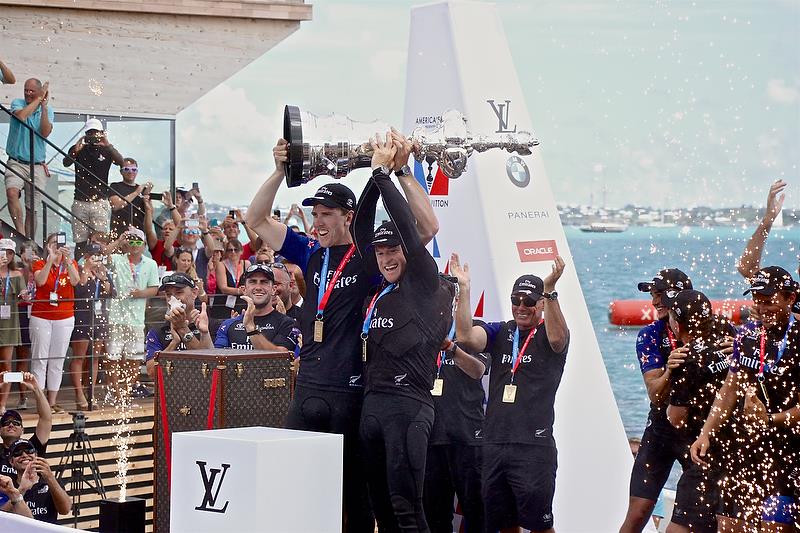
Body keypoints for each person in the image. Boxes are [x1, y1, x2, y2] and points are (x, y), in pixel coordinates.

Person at [245, 133, 438, 532]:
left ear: (349, 217)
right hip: (310, 386)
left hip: (351, 394)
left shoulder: (371, 257)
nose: (318, 223)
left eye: (327, 215)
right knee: (296, 488)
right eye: (315, 215)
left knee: (356, 500)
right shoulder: (309, 252)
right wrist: (280, 171)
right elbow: (256, 221)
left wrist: (400, 171)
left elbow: (427, 227)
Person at [350, 132, 453, 530]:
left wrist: (383, 174)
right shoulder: (379, 290)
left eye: (393, 251)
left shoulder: (425, 281)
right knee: (382, 511)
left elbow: (411, 232)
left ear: (407, 252)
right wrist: (371, 182)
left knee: (408, 509)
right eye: (381, 252)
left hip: (409, 408)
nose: (387, 257)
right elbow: (360, 226)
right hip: (372, 406)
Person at [450, 252, 569, 533]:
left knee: (540, 525)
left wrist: (550, 290)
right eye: (516, 300)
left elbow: (558, 338)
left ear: (540, 304)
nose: (521, 306)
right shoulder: (502, 331)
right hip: (494, 444)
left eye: (528, 301)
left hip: (533, 446)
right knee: (504, 525)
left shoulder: (549, 333)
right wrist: (464, 289)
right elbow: (466, 337)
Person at [690, 266, 799, 531]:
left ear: (790, 299)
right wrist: (705, 432)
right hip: (746, 446)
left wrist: (771, 420)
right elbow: (730, 388)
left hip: (788, 451)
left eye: (770, 302)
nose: (762, 309)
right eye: (758, 302)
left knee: (775, 528)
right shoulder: (749, 334)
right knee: (728, 526)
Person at [619, 268, 693, 533]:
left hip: (697, 433)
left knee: (698, 520)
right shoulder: (650, 334)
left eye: (659, 294)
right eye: (652, 295)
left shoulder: (712, 331)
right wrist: (671, 370)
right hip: (661, 429)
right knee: (637, 514)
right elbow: (655, 392)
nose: (654, 302)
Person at [663, 290, 736, 533]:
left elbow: (676, 418)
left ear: (677, 321)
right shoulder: (727, 332)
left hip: (705, 453)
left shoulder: (686, 358)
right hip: (739, 449)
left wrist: (669, 373)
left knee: (678, 528)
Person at [424, 314, 488, 533]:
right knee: (435, 516)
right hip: (431, 436)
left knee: (478, 512)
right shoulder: (420, 327)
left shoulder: (474, 331)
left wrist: (452, 348)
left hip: (469, 436)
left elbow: (478, 370)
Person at [105, 227, 159, 399]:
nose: (134, 245)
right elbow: (103, 255)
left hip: (136, 318)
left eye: (138, 242)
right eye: (131, 241)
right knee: (113, 355)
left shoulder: (150, 263)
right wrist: (119, 240)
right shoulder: (117, 259)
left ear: (144, 245)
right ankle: (114, 391)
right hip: (115, 316)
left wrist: (139, 294)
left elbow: (154, 289)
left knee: (134, 357)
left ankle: (127, 391)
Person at [30, 234, 80, 412]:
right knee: (40, 359)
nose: (58, 247)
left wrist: (67, 260)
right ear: (47, 246)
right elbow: (41, 281)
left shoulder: (70, 263)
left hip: (64, 317)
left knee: (57, 359)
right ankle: (40, 401)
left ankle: (52, 401)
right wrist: (50, 260)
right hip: (41, 317)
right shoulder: (39, 264)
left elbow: (76, 281)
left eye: (61, 244)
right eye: (54, 244)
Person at [63, 118, 125, 255]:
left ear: (101, 133)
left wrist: (107, 144)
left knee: (100, 241)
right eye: (90, 132)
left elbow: (122, 162)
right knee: (80, 241)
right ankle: (81, 268)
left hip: (99, 202)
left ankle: (98, 269)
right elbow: (65, 163)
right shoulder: (79, 149)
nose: (93, 136)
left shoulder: (107, 151)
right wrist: (75, 150)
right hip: (80, 201)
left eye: (96, 132)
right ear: (86, 134)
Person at [4, 79, 54, 236]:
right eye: (26, 90)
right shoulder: (17, 103)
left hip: (37, 165)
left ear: (39, 92)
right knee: (12, 192)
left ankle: (29, 240)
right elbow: (21, 116)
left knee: (32, 208)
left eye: (32, 91)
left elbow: (45, 132)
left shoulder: (48, 110)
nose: (27, 93)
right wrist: (38, 99)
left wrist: (44, 106)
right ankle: (20, 234)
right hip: (16, 161)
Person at [212, 264, 298, 352]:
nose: (258, 287)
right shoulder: (228, 324)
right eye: (253, 282)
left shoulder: (287, 324)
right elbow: (218, 357)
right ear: (244, 290)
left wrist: (251, 328)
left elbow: (280, 357)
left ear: (273, 289)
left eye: (264, 282)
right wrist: (204, 334)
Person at [69, 243, 113, 410]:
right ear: (86, 256)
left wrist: (103, 279)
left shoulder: (103, 272)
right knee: (79, 357)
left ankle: (91, 392)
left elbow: (110, 292)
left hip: (99, 318)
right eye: (93, 255)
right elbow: (79, 288)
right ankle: (79, 393)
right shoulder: (79, 269)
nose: (96, 259)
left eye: (99, 256)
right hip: (82, 317)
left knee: (95, 358)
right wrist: (86, 269)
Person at [144, 273, 209, 378]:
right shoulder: (157, 331)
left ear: (194, 293)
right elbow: (151, 372)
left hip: (201, 389)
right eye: (168, 294)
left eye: (179, 292)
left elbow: (210, 364)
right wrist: (174, 343)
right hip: (171, 391)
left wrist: (183, 329)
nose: (173, 299)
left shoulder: (209, 325)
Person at [0, 372, 51, 477]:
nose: (11, 425)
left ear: (22, 430)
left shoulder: (31, 448)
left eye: (16, 423)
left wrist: (36, 388)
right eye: (6, 422)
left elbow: (46, 419)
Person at [8, 438, 70, 523]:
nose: (25, 455)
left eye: (29, 450)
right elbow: (2, 514)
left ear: (36, 455)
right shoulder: (8, 485)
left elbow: (65, 510)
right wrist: (21, 490)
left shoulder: (50, 481)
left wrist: (50, 478)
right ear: (11, 461)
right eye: (17, 453)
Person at [0, 239, 26, 414]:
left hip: (8, 323)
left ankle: (2, 402)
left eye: (10, 253)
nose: (6, 256)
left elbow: (23, 294)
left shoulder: (16, 274)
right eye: (3, 252)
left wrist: (24, 295)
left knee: (6, 365)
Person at [13, 241, 37, 409]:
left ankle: (41, 396)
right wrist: (27, 266)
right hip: (20, 314)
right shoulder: (17, 272)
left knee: (38, 357)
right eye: (25, 252)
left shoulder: (42, 269)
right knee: (21, 357)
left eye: (32, 251)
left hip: (38, 314)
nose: (29, 255)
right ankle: (23, 397)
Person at [108, 158, 149, 239]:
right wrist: (136, 193)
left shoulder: (141, 190)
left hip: (138, 233)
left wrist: (147, 198)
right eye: (127, 169)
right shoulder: (115, 186)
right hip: (118, 231)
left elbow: (149, 213)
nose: (131, 172)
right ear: (121, 172)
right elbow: (115, 205)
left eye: (134, 169)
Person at [143, 190, 181, 267]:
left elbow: (180, 225)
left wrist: (171, 206)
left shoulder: (179, 244)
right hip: (158, 277)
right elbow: (149, 231)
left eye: (171, 229)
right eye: (165, 229)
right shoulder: (157, 245)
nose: (167, 230)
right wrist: (148, 210)